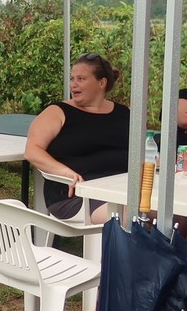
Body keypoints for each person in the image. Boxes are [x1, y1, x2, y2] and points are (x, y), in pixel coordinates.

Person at [24, 52, 130, 224]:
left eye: (81, 79)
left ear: (102, 83)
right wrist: (65, 172)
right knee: (133, 217)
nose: (73, 84)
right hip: (75, 196)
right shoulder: (57, 112)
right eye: (73, 79)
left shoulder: (124, 114)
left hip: (120, 191)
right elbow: (32, 151)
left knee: (169, 214)